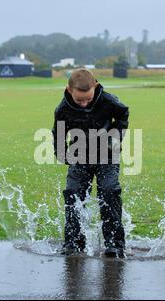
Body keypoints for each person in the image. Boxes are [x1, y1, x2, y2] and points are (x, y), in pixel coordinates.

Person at [52, 68, 129, 258]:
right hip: (79, 157)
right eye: (80, 100)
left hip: (107, 155)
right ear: (69, 90)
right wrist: (62, 154)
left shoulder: (108, 100)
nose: (85, 104)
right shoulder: (62, 109)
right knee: (73, 194)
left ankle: (114, 244)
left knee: (109, 191)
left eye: (88, 99)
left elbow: (123, 115)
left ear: (95, 86)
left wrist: (116, 137)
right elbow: (58, 133)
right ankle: (73, 243)